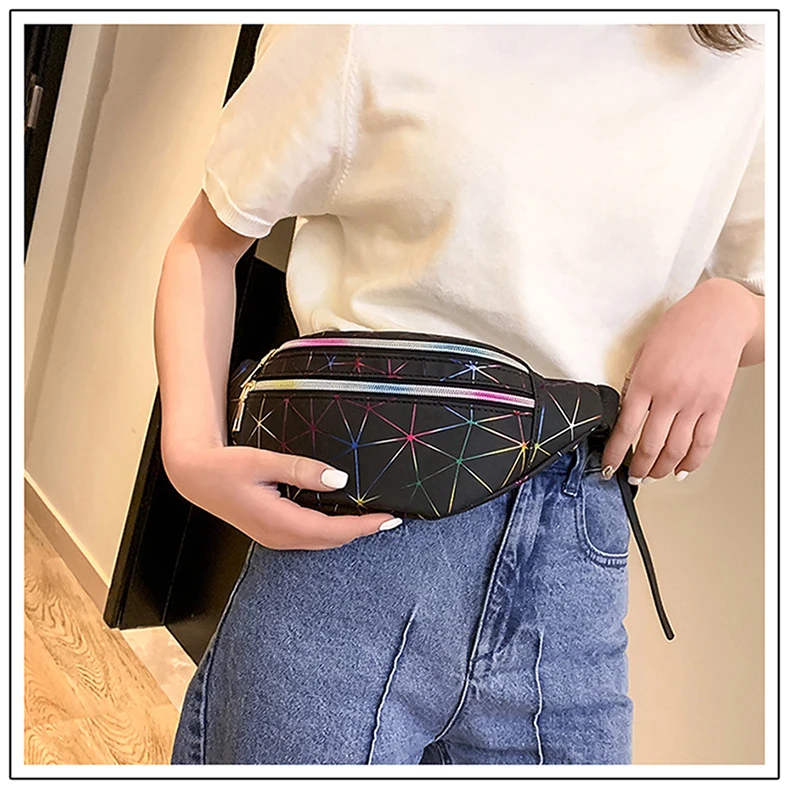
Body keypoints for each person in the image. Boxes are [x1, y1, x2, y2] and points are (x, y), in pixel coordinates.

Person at [158, 23, 765, 765]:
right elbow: (207, 242)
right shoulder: (363, 27)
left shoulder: (747, 55)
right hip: (360, 535)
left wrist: (735, 309)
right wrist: (188, 451)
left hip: (577, 548)